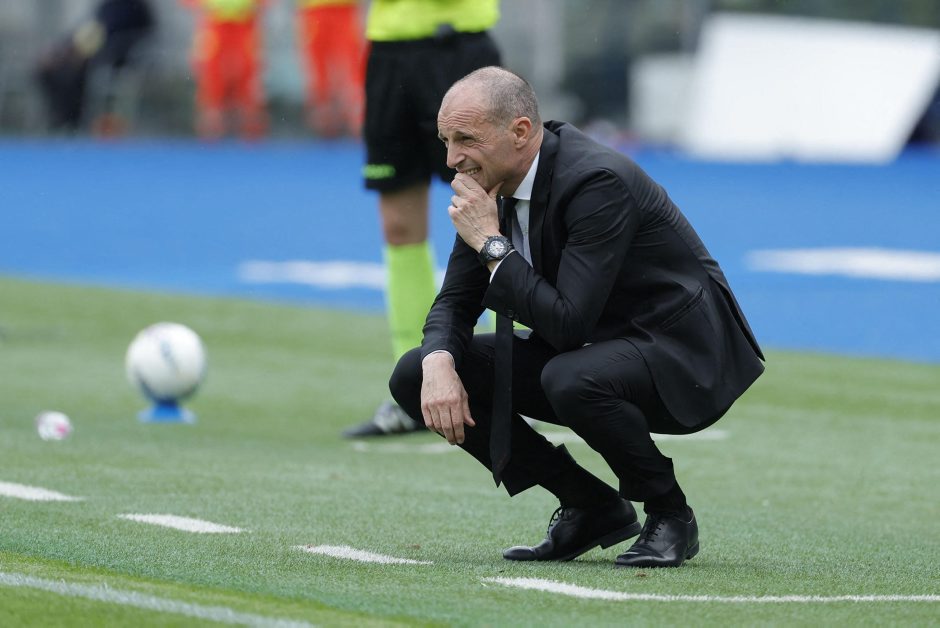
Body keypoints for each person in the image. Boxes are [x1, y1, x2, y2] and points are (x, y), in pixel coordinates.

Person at [389, 67, 765, 568]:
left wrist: (491, 244)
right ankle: (591, 507)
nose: (452, 159)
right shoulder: (491, 182)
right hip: (597, 349)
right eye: (446, 141)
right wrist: (438, 361)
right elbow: (457, 301)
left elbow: (569, 325)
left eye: (466, 140)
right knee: (415, 372)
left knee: (570, 376)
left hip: (683, 353)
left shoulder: (596, 181)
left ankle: (671, 514)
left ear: (520, 132)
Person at [342, 0, 502, 438]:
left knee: (495, 208)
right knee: (398, 224)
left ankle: (519, 375)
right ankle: (415, 389)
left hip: (459, 48)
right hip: (390, 52)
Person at [35, 0, 154, 133]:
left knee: (72, 73)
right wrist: (60, 49)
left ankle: (72, 124)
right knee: (46, 70)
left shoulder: (134, 7)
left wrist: (84, 52)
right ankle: (59, 122)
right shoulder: (107, 6)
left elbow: (108, 33)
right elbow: (86, 28)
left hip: (111, 60)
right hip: (90, 55)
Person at [181, 0, 268, 140]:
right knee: (212, 77)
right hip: (213, 23)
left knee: (248, 76)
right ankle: (210, 132)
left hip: (246, 22)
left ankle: (251, 132)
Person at [294, 0, 365, 138]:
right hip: (314, 9)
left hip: (345, 9)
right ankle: (324, 119)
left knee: (351, 66)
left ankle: (356, 119)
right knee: (318, 69)